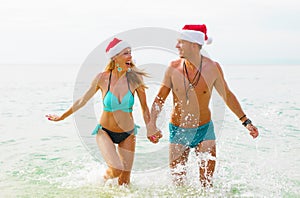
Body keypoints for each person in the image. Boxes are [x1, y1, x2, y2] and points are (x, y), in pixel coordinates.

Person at [148, 24, 259, 187]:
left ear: (193, 45)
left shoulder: (212, 68)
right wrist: (152, 124)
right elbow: (159, 100)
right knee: (178, 185)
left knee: (207, 184)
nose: (176, 46)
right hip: (178, 130)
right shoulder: (173, 68)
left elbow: (227, 95)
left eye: (181, 42)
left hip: (204, 130)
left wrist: (246, 122)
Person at [46, 38, 162, 185]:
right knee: (116, 169)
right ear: (115, 57)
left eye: (130, 53)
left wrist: (151, 128)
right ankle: (101, 181)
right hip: (105, 132)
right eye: (126, 53)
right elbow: (83, 100)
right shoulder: (102, 78)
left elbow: (145, 109)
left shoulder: (135, 79)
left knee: (125, 181)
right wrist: (62, 116)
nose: (130, 56)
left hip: (128, 133)